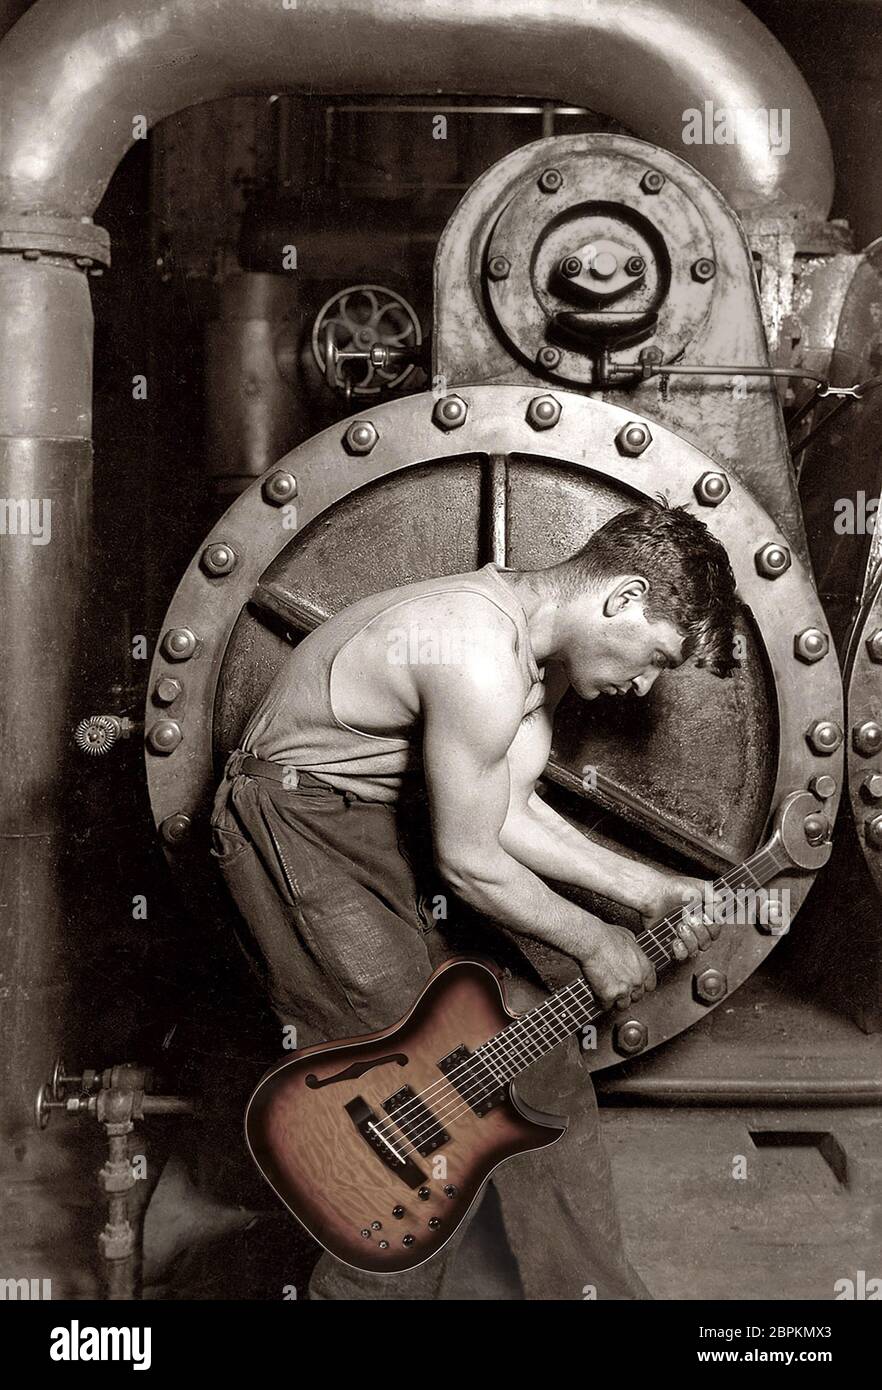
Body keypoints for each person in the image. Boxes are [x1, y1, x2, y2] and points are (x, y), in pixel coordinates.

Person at [211, 499, 739, 1300]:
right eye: (658, 657)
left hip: (383, 825)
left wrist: (649, 887)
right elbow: (467, 860)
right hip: (295, 826)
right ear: (623, 598)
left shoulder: (536, 659)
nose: (646, 684)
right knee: (421, 1101)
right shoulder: (473, 649)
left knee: (541, 1058)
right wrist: (598, 943)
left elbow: (507, 810)